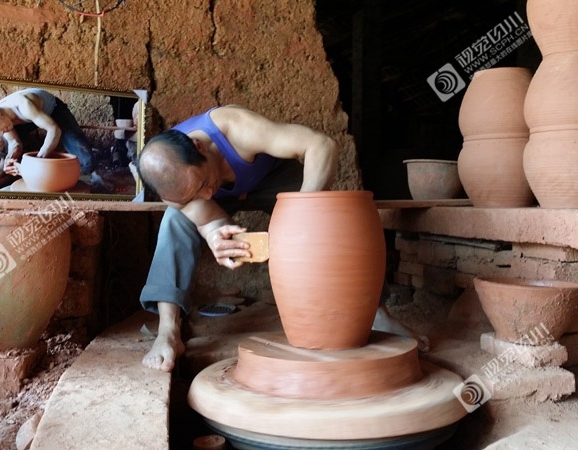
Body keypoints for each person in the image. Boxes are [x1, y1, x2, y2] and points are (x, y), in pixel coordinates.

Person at [136, 105, 428, 372]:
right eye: (192, 196)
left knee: (330, 215)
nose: (206, 194)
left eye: (202, 183)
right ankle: (168, 332)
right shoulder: (176, 188)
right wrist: (216, 236)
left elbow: (321, 144)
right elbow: (210, 217)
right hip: (222, 197)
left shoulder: (236, 129)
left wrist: (304, 209)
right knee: (174, 221)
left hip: (270, 178)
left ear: (199, 146)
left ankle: (376, 313)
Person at [0, 88, 109, 190]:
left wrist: (38, 161)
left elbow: (54, 130)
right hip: (24, 120)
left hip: (53, 110)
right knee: (4, 141)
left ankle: (93, 175)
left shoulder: (23, 105)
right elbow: (14, 143)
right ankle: (2, 167)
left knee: (86, 159)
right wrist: (10, 159)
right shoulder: (3, 119)